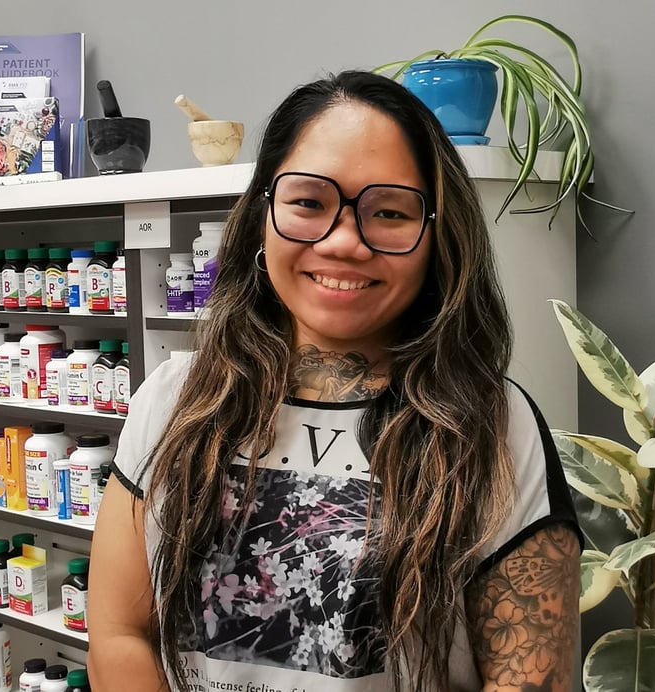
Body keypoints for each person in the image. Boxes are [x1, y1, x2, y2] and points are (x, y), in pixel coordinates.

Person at [87, 70, 582, 692]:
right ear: (261, 216)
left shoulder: (494, 425)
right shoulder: (173, 400)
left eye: (390, 211)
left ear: (437, 237)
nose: (345, 240)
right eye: (308, 202)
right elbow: (120, 634)